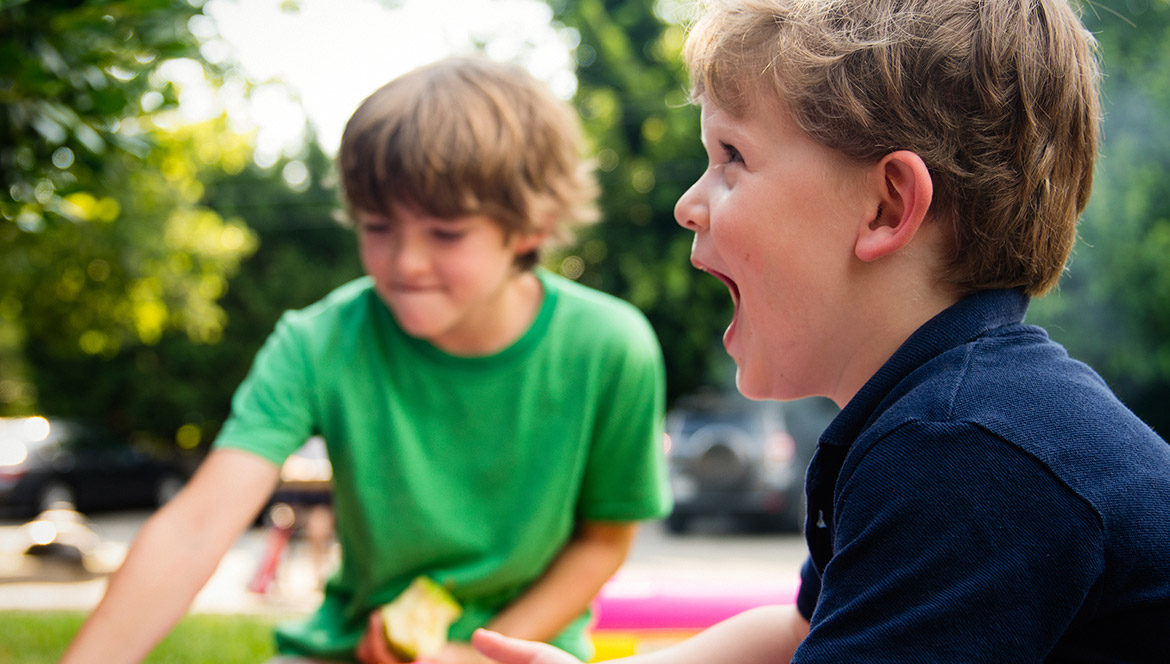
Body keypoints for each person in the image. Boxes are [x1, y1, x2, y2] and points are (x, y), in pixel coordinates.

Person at [470, 1, 1170, 662]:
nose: (688, 204)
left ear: (887, 206)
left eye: (732, 157)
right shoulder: (940, 417)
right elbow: (800, 632)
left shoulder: (963, 453)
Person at [60, 56, 672, 664]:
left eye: (446, 232)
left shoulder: (611, 347)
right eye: (378, 226)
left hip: (524, 650)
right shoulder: (318, 342)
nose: (405, 262)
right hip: (349, 650)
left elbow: (604, 539)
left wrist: (477, 655)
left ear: (531, 227)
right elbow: (195, 530)